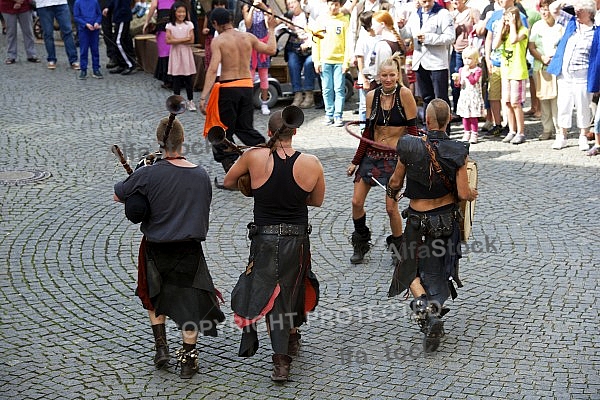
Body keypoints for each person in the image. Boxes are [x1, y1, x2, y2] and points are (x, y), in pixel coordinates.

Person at [113, 112, 225, 380]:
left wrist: (140, 173)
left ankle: (161, 349)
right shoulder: (201, 175)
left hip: (155, 247)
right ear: (182, 140)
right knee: (188, 304)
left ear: (158, 141)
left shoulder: (148, 174)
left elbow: (119, 193)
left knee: (154, 296)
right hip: (188, 250)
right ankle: (188, 361)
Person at [222, 107, 325, 382]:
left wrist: (254, 181)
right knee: (291, 289)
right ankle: (287, 345)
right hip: (297, 238)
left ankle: (282, 358)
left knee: (271, 295)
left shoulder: (253, 156)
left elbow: (228, 181)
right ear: (296, 131)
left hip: (265, 239)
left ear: (269, 132)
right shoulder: (312, 162)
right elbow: (316, 201)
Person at [387, 98, 478, 353]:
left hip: (417, 219)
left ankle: (427, 311)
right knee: (439, 267)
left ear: (425, 121)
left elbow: (395, 181)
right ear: (449, 120)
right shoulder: (458, 149)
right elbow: (462, 193)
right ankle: (432, 310)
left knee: (407, 268)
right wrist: (471, 193)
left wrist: (392, 196)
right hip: (446, 220)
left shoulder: (408, 145)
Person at [347, 54, 417, 264]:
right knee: (356, 202)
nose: (388, 79)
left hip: (395, 158)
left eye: (392, 75)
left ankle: (398, 245)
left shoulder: (405, 95)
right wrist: (356, 160)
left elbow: (412, 131)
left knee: (390, 207)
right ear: (378, 76)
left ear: (398, 75)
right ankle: (361, 241)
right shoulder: (371, 96)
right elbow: (368, 132)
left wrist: (412, 162)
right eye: (384, 75)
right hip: (372, 155)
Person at [199, 8, 277, 172]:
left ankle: (232, 166)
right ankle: (266, 152)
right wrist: (271, 29)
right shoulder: (248, 37)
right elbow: (271, 50)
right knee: (245, 128)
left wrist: (203, 98)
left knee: (222, 131)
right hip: (246, 86)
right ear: (231, 20)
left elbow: (213, 70)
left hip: (228, 88)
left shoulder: (219, 41)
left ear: (215, 23)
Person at [547, 0, 596, 151]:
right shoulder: (571, 22)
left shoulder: (595, 31)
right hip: (565, 74)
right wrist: (570, 2)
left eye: (580, 10)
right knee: (564, 105)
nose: (577, 12)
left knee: (583, 106)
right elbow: (553, 9)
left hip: (583, 74)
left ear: (589, 13)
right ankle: (562, 136)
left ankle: (583, 136)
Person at [400, 0, 455, 131]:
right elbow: (407, 34)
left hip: (437, 63)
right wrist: (401, 27)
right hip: (420, 62)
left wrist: (428, 38)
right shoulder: (415, 14)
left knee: (440, 98)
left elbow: (450, 37)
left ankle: (444, 129)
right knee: (426, 98)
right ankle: (428, 127)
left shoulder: (443, 14)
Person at [527, 0, 564, 141]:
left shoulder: (560, 26)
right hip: (540, 66)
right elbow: (531, 46)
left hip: (557, 67)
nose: (544, 12)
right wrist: (542, 57)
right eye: (542, 9)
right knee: (544, 99)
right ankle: (547, 129)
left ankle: (560, 129)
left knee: (557, 100)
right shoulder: (537, 26)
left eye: (547, 9)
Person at [492, 5, 528, 145]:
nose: (507, 22)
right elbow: (495, 45)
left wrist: (513, 24)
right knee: (506, 102)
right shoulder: (505, 33)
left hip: (517, 72)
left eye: (508, 20)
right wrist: (502, 26)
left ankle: (521, 132)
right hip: (506, 72)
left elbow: (514, 40)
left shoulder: (523, 31)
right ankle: (512, 130)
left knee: (515, 103)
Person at [312, 0, 351, 127]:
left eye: (336, 4)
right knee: (327, 89)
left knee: (339, 89)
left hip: (339, 61)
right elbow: (315, 42)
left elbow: (348, 43)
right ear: (327, 4)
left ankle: (338, 115)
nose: (333, 7)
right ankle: (329, 114)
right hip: (325, 60)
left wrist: (346, 61)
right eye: (331, 4)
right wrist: (316, 60)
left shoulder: (345, 20)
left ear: (340, 6)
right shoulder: (321, 20)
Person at [449, 0, 481, 116]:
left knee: (471, 80)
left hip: (469, 52)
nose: (454, 1)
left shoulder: (472, 12)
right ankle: (458, 110)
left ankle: (475, 110)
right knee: (456, 80)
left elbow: (480, 31)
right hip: (455, 51)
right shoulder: (451, 14)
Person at [243, 0, 273, 115]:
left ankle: (264, 103)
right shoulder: (246, 7)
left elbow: (269, 22)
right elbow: (248, 24)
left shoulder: (267, 8)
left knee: (264, 77)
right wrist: (252, 8)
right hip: (250, 46)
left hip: (263, 46)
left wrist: (263, 7)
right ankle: (247, 104)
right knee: (249, 77)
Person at [284, 0, 316, 109]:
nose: (291, 5)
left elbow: (314, 32)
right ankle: (297, 94)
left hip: (310, 48)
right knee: (292, 64)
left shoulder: (307, 15)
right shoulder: (287, 17)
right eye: (288, 4)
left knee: (308, 64)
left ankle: (309, 94)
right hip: (294, 48)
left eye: (293, 2)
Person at [166, 2, 197, 111]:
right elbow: (168, 40)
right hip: (175, 54)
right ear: (174, 12)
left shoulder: (189, 24)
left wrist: (176, 40)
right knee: (176, 79)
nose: (181, 14)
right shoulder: (170, 25)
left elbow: (192, 40)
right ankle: (177, 102)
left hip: (186, 53)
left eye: (183, 12)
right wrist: (184, 39)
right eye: (179, 12)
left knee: (188, 79)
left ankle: (190, 101)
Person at [35, 0, 79, 70]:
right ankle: (51, 59)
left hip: (61, 3)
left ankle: (73, 60)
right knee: (48, 33)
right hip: (43, 5)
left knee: (67, 31)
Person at [454, 46, 485, 144]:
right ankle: (466, 132)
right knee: (465, 116)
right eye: (465, 58)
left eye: (469, 58)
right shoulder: (461, 70)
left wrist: (468, 74)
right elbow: (460, 84)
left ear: (475, 59)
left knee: (473, 116)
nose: (467, 61)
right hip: (465, 96)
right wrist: (456, 81)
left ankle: (474, 133)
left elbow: (473, 81)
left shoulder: (477, 70)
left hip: (474, 96)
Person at [145, 0, 176, 89]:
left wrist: (147, 21)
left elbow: (154, 5)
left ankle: (168, 79)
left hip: (163, 19)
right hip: (175, 17)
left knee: (164, 51)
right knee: (172, 49)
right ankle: (177, 79)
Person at [102, 0, 136, 75]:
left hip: (122, 17)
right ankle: (122, 64)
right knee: (119, 40)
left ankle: (129, 64)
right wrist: (108, 8)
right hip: (119, 16)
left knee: (119, 41)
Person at [1, 0, 40, 64]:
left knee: (28, 32)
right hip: (7, 6)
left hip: (25, 6)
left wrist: (19, 2)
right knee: (11, 33)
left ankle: (31, 54)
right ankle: (11, 56)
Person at [73, 0, 103, 79]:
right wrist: (85, 24)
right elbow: (76, 17)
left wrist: (97, 22)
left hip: (94, 30)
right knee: (84, 50)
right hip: (84, 30)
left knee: (95, 50)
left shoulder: (95, 2)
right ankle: (83, 69)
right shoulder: (78, 2)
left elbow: (99, 14)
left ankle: (96, 69)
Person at [202, 0, 228, 72]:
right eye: (217, 5)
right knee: (210, 58)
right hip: (210, 39)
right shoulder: (208, 14)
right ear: (213, 5)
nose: (219, 7)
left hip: (223, 39)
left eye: (222, 5)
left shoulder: (227, 15)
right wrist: (205, 30)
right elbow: (204, 29)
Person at [99, 0, 118, 70]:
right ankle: (112, 56)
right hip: (103, 3)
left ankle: (121, 56)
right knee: (106, 31)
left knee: (119, 30)